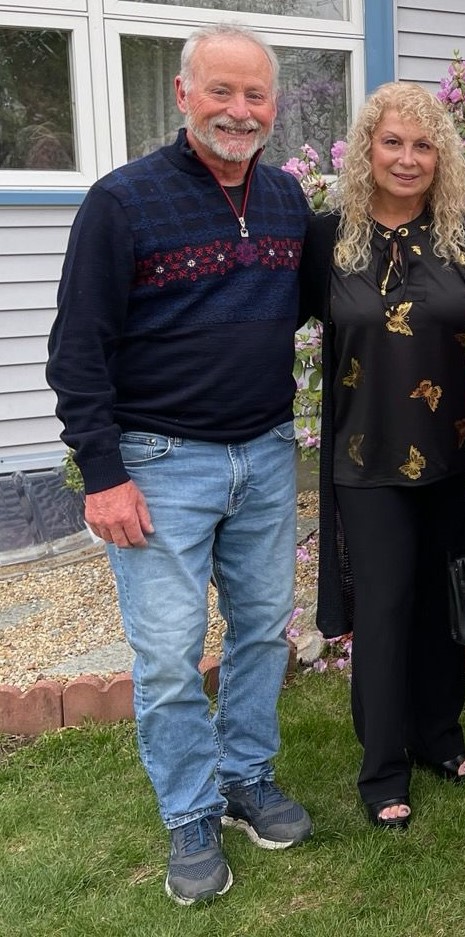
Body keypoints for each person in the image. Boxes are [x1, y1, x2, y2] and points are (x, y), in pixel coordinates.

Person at [45, 23, 312, 905]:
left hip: (269, 454)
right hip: (159, 462)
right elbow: (77, 348)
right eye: (222, 92)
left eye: (255, 96)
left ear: (274, 106)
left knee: (262, 630)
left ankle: (245, 778)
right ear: (183, 94)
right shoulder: (121, 202)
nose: (240, 111)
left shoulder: (285, 200)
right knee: (165, 656)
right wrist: (102, 471)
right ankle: (190, 812)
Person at [300, 82, 465, 830]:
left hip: (454, 457)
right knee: (382, 611)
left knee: (442, 606)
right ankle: (382, 765)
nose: (408, 158)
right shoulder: (327, 240)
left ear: (440, 153)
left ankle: (438, 735)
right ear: (366, 150)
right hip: (365, 456)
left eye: (423, 145)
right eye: (393, 143)